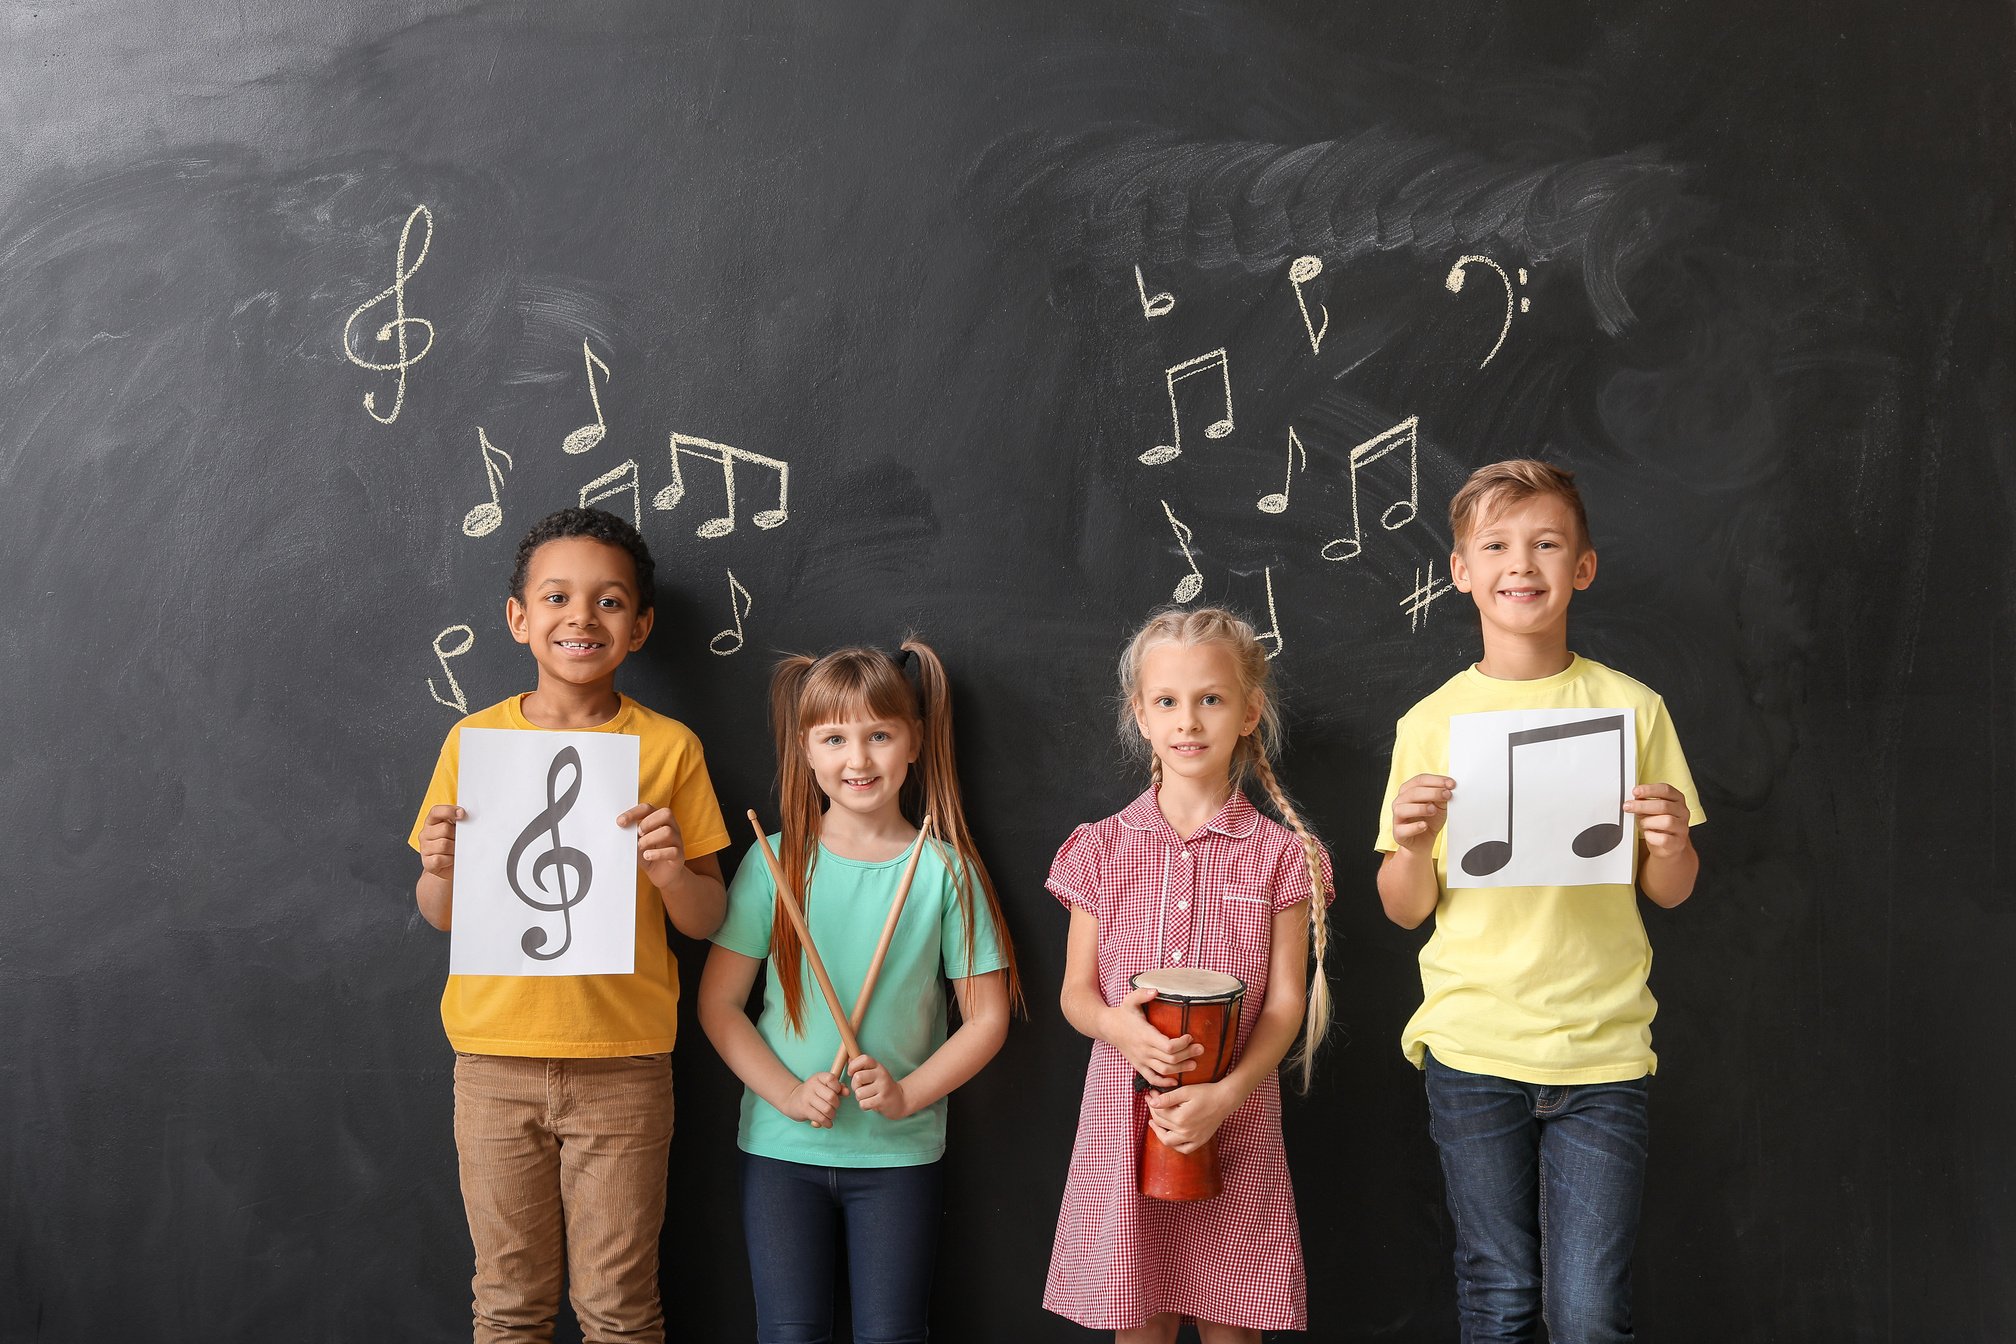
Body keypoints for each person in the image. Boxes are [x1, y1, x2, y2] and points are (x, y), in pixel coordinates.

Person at [1375, 459, 1704, 1344]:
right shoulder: (1430, 723)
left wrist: (1671, 842)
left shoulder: (1633, 710)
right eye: (1497, 545)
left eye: (1547, 543)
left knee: (1591, 1312)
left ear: (1583, 567)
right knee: (1502, 1293)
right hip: (1476, 1043)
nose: (1522, 563)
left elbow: (1669, 887)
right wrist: (1409, 843)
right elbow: (1405, 908)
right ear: (1461, 571)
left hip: (1603, 1050)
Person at [410, 507, 730, 1344]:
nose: (581, 617)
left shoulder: (668, 748)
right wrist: (439, 866)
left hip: (622, 1063)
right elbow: (441, 913)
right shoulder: (472, 740)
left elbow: (709, 919)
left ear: (642, 625)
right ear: (519, 619)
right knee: (508, 1302)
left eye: (610, 602)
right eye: (556, 597)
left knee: (619, 1307)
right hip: (491, 1062)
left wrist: (668, 870)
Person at [697, 640, 1020, 1344]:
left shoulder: (945, 870)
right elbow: (718, 1008)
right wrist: (785, 1093)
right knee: (788, 1335)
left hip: (900, 1154)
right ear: (806, 752)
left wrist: (908, 1094)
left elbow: (988, 1018)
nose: (859, 758)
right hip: (784, 1151)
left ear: (914, 743)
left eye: (879, 735)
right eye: (835, 738)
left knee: (894, 1336)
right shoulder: (774, 860)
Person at [1044, 606, 1334, 1344]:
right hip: (1125, 1117)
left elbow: (1286, 1002)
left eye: (1211, 698)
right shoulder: (1099, 850)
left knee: (1233, 1325)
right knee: (1139, 1322)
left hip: (1235, 1119)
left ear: (1249, 712)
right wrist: (1119, 1028)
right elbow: (1077, 993)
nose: (1189, 720)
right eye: (1168, 701)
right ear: (1140, 714)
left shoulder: (1280, 857)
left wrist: (1227, 1096)